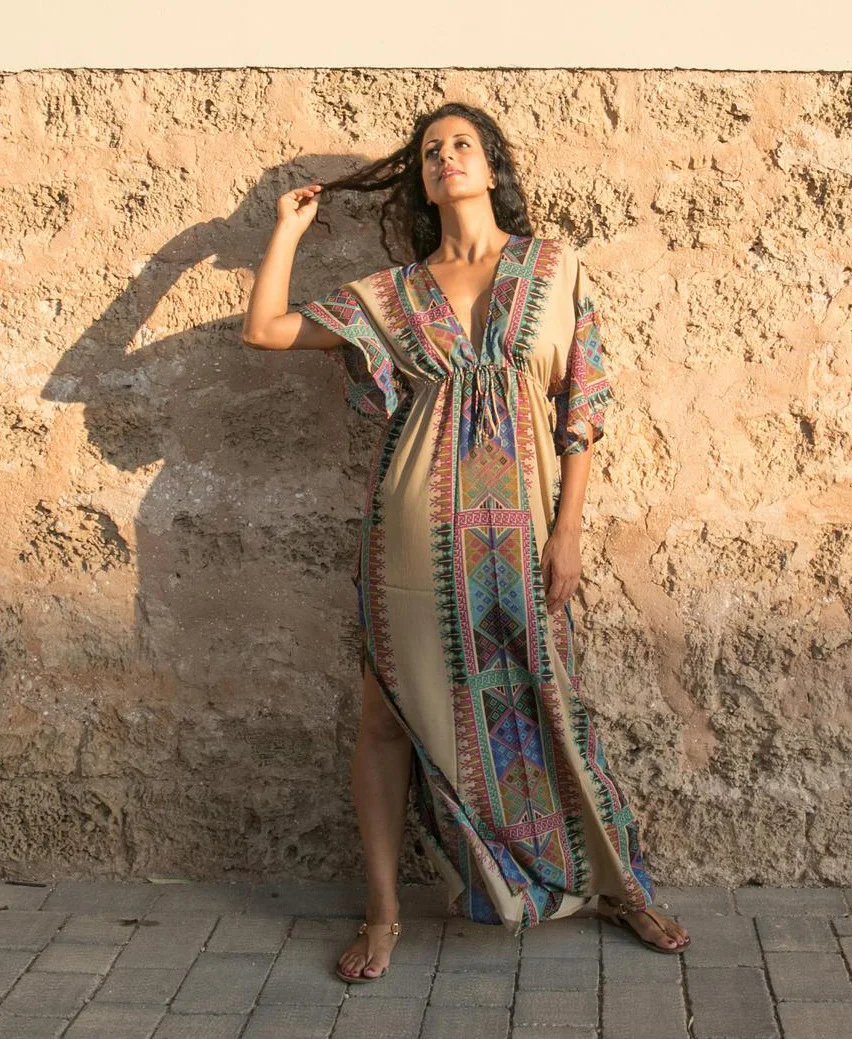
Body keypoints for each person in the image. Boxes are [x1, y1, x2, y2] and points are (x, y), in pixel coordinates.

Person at [241, 101, 691, 982]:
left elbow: (583, 404)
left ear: (491, 166)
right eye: (429, 151)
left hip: (522, 534)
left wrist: (568, 528)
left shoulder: (551, 267)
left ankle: (614, 881)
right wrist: (287, 229)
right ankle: (382, 913)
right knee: (386, 717)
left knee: (549, 703)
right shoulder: (395, 293)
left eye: (460, 145)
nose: (444, 157)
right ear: (421, 180)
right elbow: (264, 329)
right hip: (411, 533)